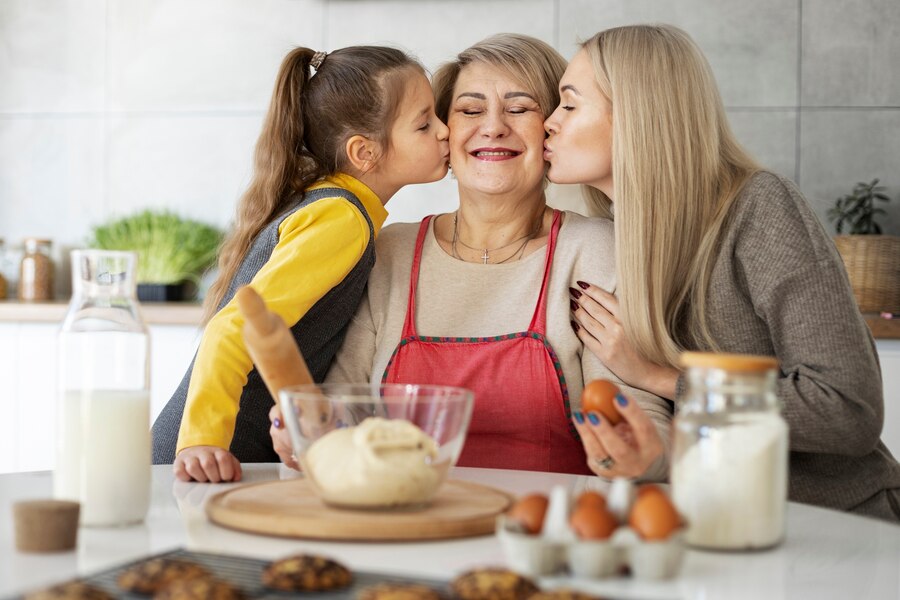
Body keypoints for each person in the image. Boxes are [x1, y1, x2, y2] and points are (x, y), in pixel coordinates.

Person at [270, 33, 672, 479]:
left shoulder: (596, 251)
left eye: (520, 109)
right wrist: (311, 429)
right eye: (470, 110)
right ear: (444, 132)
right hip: (407, 524)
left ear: (553, 128)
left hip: (541, 535)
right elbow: (343, 403)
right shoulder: (388, 252)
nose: (493, 126)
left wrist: (646, 454)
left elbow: (639, 416)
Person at [543, 24, 900, 520]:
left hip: (833, 525)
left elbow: (847, 410)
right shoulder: (613, 235)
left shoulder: (758, 208)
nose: (549, 122)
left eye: (569, 103)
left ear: (635, 113)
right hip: (710, 527)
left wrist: (664, 378)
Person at [151, 45, 450, 483]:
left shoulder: (331, 204)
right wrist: (202, 440)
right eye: (424, 124)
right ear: (364, 152)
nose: (445, 131)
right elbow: (232, 328)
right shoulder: (342, 219)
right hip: (205, 461)